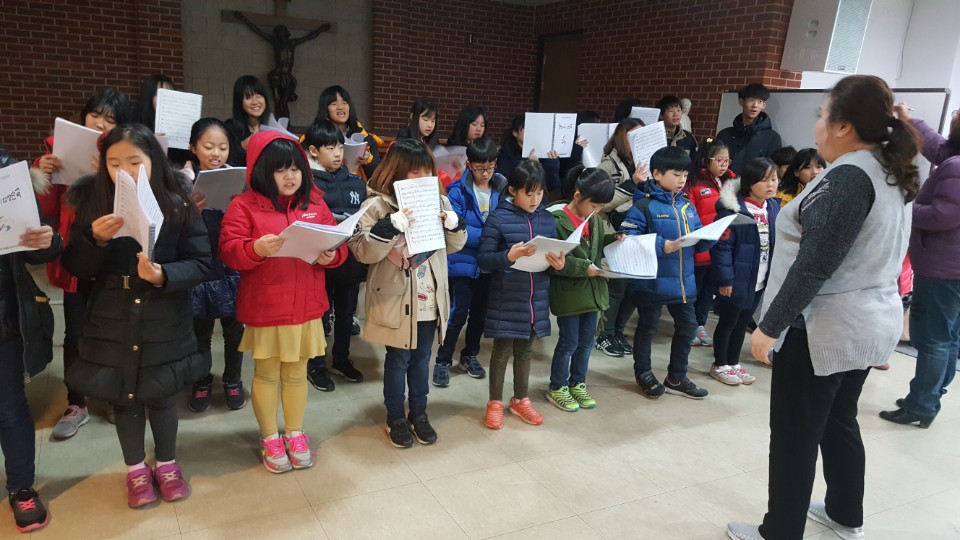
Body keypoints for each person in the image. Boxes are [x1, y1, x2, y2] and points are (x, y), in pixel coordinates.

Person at [728, 75, 921, 540]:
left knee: (794, 435)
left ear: (844, 125)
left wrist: (769, 326)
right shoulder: (888, 167)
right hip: (866, 320)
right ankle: (844, 514)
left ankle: (780, 532)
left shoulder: (850, 177)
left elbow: (815, 265)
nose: (817, 124)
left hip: (824, 327)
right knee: (838, 419)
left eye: (822, 114)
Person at [62, 124, 212, 508]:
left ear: (154, 162)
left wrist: (163, 275)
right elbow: (76, 268)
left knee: (161, 394)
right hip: (112, 316)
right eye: (114, 164)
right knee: (125, 398)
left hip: (164, 317)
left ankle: (167, 465)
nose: (125, 171)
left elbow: (201, 263)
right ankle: (135, 470)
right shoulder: (93, 203)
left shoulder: (178, 204)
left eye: (134, 162)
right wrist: (93, 239)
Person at [220, 131, 346, 472]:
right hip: (266, 306)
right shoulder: (243, 205)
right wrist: (255, 249)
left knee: (296, 372)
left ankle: (294, 433)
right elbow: (229, 250)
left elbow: (338, 244)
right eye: (280, 169)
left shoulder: (315, 204)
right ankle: (269, 437)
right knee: (266, 374)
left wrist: (331, 256)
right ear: (262, 171)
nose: (290, 176)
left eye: (295, 168)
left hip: (306, 305)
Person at [349, 139, 466, 448]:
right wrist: (388, 227)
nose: (424, 178)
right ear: (398, 171)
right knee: (398, 359)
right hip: (396, 298)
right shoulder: (376, 205)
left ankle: (419, 413)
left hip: (430, 297)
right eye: (416, 172)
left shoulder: (440, 202)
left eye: (428, 171)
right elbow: (362, 252)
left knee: (422, 358)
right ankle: (395, 418)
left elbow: (455, 246)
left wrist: (455, 226)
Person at [33, 88, 132, 439]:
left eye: (111, 119)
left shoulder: (126, 157)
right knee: (74, 333)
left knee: (116, 331)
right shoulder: (58, 151)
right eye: (96, 115)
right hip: (75, 257)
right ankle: (77, 403)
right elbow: (47, 211)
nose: (101, 123)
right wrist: (42, 175)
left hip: (114, 260)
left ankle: (115, 395)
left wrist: (110, 174)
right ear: (84, 116)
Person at [879, 105, 960, 427]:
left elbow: (943, 216)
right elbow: (937, 145)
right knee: (948, 337)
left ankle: (922, 405)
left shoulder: (956, 166)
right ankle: (931, 395)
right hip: (950, 268)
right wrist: (908, 119)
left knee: (933, 339)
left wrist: (904, 209)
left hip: (943, 269)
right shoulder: (953, 159)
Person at [477, 160, 565, 429]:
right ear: (513, 191)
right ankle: (494, 402)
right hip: (506, 296)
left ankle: (520, 399)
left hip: (535, 298)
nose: (535, 199)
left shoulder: (546, 218)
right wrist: (508, 256)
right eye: (529, 193)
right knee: (502, 351)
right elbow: (484, 259)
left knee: (526, 350)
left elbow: (554, 255)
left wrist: (559, 265)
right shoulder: (498, 218)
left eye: (539, 193)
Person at [1, 150, 60, 532]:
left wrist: (46, 241)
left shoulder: (8, 175)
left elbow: (43, 246)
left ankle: (21, 488)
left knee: (8, 408)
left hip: (4, 318)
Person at [621, 146, 711, 400]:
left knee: (688, 327)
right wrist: (663, 245)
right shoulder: (643, 205)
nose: (682, 180)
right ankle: (643, 373)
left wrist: (708, 238)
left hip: (683, 282)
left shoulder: (687, 206)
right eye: (676, 174)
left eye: (685, 175)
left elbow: (697, 237)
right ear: (657, 174)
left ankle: (676, 377)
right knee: (647, 327)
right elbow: (628, 238)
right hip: (652, 281)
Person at [301, 120, 368, 392]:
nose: (338, 153)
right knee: (319, 315)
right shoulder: (305, 182)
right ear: (314, 151)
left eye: (340, 147)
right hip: (318, 262)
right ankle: (316, 364)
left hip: (349, 260)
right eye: (330, 148)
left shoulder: (354, 181)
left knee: (345, 313)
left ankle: (341, 359)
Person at [184, 118, 246, 412]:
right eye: (208, 146)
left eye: (223, 147)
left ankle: (233, 379)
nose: (216, 153)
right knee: (201, 332)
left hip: (230, 265)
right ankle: (201, 381)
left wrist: (239, 206)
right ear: (192, 147)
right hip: (199, 264)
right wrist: (188, 211)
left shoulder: (238, 179)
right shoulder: (182, 181)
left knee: (235, 330)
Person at [433, 137, 505, 386]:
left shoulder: (502, 188)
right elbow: (456, 228)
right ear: (469, 165)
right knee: (457, 315)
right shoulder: (457, 191)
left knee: (480, 315)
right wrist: (491, 237)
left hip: (490, 264)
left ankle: (469, 355)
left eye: (490, 167)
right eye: (479, 168)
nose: (485, 173)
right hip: (463, 263)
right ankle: (443, 360)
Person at [545, 166, 614, 411]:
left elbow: (597, 246)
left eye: (601, 207)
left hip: (593, 292)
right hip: (569, 295)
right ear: (577, 196)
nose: (597, 210)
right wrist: (584, 267)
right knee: (569, 342)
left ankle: (577, 383)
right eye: (594, 205)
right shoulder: (556, 219)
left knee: (586, 343)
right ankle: (557, 386)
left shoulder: (594, 219)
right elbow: (554, 261)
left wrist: (615, 239)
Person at [709, 157, 780, 386]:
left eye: (774, 179)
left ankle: (733, 362)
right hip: (736, 278)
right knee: (728, 322)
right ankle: (720, 364)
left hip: (759, 277)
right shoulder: (733, 210)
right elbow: (722, 248)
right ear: (749, 183)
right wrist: (725, 279)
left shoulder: (773, 207)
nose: (771, 185)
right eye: (765, 180)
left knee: (742, 323)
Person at [595, 118, 645, 357]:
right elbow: (601, 202)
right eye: (632, 135)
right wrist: (632, 184)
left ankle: (617, 332)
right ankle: (604, 334)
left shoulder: (645, 163)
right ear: (621, 137)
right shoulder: (608, 164)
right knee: (617, 287)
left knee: (634, 287)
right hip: (614, 230)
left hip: (639, 229)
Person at [684, 138, 736, 348]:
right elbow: (688, 216)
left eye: (727, 160)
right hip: (699, 247)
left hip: (721, 249)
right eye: (719, 160)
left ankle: (700, 325)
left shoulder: (732, 183)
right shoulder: (694, 183)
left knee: (708, 291)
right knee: (694, 290)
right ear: (706, 160)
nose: (724, 164)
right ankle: (688, 327)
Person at [314, 85, 382, 180]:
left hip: (356, 185)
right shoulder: (315, 135)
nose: (340, 107)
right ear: (325, 109)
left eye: (344, 103)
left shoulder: (364, 136)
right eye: (334, 104)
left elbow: (377, 176)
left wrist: (368, 160)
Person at [716, 83, 783, 174]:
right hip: (725, 182)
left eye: (759, 101)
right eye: (751, 100)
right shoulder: (724, 134)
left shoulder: (772, 138)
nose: (755, 105)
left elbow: (772, 172)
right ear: (741, 102)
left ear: (764, 105)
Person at [497, 114, 562, 198]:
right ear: (515, 133)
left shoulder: (543, 151)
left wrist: (552, 163)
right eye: (526, 129)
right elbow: (506, 179)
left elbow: (552, 185)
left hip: (538, 198)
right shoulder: (507, 152)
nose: (530, 133)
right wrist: (530, 166)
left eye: (533, 129)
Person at [224, 75, 271, 167]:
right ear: (239, 101)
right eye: (248, 97)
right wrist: (243, 147)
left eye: (259, 96)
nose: (255, 102)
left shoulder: (275, 123)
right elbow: (226, 161)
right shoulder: (230, 127)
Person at [657, 95, 698, 171]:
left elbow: (694, 163)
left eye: (678, 110)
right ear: (661, 115)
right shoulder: (655, 136)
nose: (676, 114)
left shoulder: (688, 137)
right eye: (671, 111)